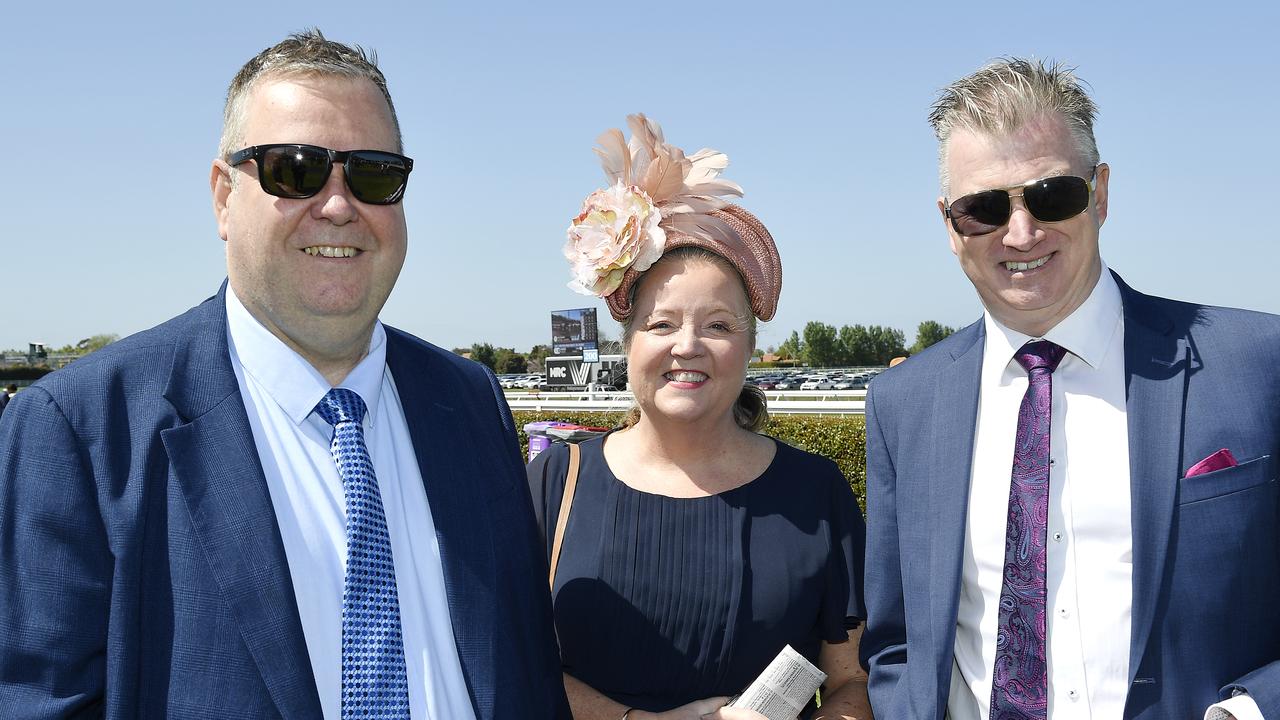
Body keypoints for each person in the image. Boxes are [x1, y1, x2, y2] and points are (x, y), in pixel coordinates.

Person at [0, 31, 569, 719]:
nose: (337, 204)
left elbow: (529, 670)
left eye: (373, 172)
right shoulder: (81, 429)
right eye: (294, 169)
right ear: (222, 195)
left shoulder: (469, 399)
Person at [860, 58, 1280, 720]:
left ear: (1100, 193)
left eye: (1052, 195)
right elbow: (897, 645)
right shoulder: (902, 405)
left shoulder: (1258, 363)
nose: (1021, 233)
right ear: (950, 225)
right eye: (985, 208)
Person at [529, 114, 871, 720]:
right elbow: (511, 659)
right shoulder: (556, 481)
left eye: (718, 326)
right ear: (627, 342)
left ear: (750, 348)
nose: (687, 346)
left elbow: (850, 681)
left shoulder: (816, 494)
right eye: (661, 324)